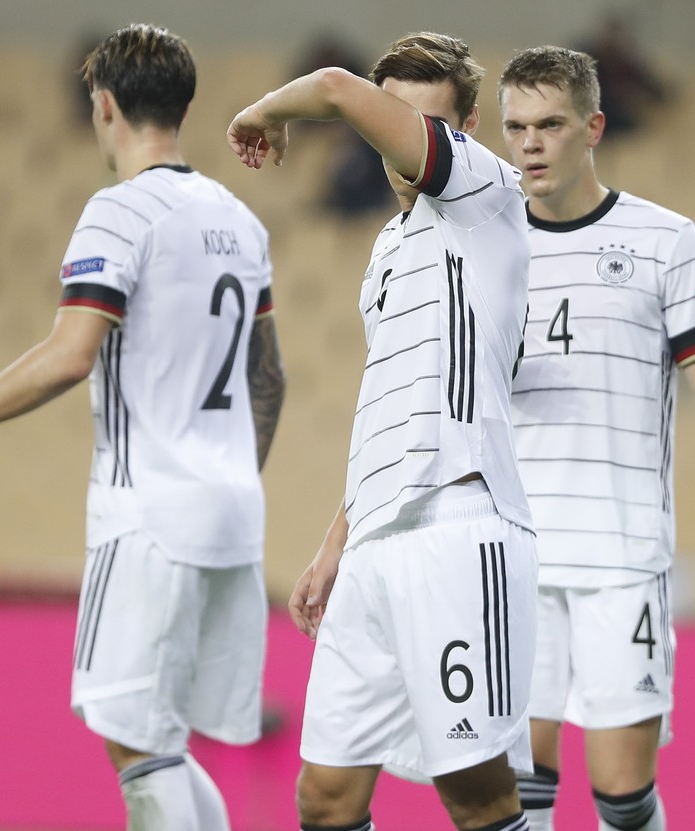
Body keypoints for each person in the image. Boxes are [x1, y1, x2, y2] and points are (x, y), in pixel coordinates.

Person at [0, 23, 286, 829]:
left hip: (150, 515)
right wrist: (229, 475)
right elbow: (270, 377)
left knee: (134, 741)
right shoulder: (240, 220)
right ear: (183, 106)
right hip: (233, 514)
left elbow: (69, 356)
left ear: (103, 107)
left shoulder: (118, 212)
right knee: (162, 741)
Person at [227, 32, 535, 831]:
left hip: (458, 524)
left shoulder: (482, 191)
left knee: (475, 793)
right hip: (376, 543)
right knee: (326, 796)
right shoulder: (388, 249)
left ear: (464, 122)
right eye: (389, 113)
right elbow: (391, 403)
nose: (401, 137)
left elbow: (331, 85)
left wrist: (265, 112)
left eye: (421, 119)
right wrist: (338, 539)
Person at [496, 46, 695, 831]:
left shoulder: (664, 241)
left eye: (550, 124)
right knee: (518, 797)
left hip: (620, 562)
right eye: (516, 127)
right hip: (515, 560)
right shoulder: (485, 247)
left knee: (622, 799)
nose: (530, 143)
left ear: (593, 126)